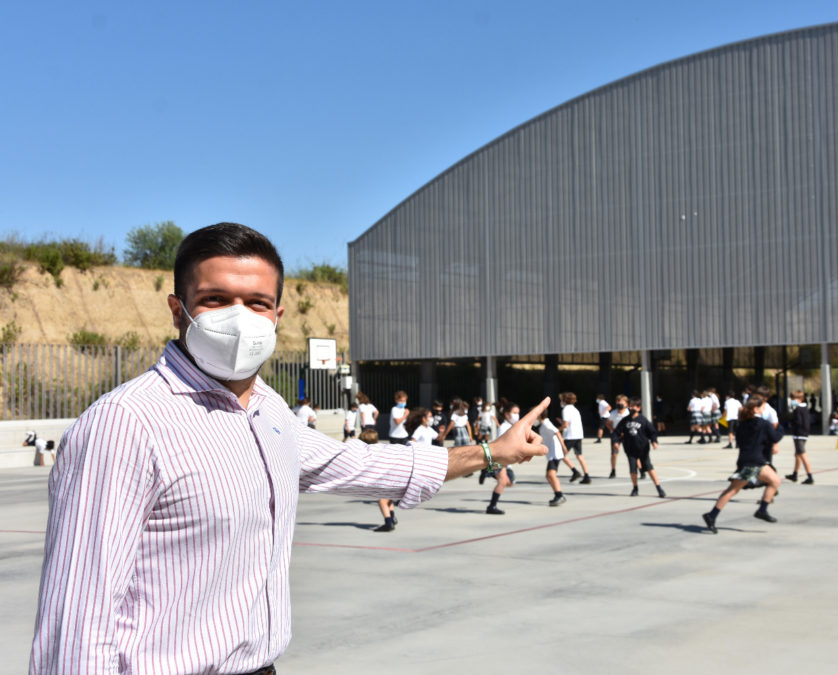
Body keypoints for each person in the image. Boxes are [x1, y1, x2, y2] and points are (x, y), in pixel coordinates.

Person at [29, 222, 550, 673]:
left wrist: (490, 453)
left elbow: (359, 464)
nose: (239, 318)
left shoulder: (269, 411)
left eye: (256, 303)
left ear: (278, 314)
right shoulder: (126, 423)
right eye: (215, 300)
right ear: (177, 310)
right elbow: (76, 621)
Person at [701, 395, 785, 533]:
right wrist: (780, 428)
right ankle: (761, 510)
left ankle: (712, 515)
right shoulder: (764, 424)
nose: (765, 410)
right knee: (772, 482)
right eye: (763, 407)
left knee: (734, 489)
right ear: (756, 409)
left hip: (745, 459)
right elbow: (775, 437)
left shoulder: (742, 424)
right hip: (755, 462)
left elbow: (741, 441)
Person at [612, 397, 666, 498]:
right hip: (630, 449)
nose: (632, 408)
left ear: (638, 408)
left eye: (634, 407)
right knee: (633, 470)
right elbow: (616, 432)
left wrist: (654, 441)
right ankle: (635, 488)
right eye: (631, 406)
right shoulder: (625, 420)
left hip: (643, 449)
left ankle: (659, 488)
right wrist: (615, 441)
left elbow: (652, 432)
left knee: (649, 468)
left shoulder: (643, 420)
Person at [536, 407, 568, 506]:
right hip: (552, 453)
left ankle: (559, 495)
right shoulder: (543, 424)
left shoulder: (546, 423)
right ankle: (558, 495)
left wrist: (563, 446)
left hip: (555, 453)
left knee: (551, 474)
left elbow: (557, 432)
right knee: (549, 475)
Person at [559, 392, 591, 484]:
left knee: (561, 454)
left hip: (570, 436)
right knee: (579, 455)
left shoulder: (565, 410)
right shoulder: (575, 409)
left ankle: (575, 471)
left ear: (564, 400)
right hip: (578, 435)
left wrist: (558, 429)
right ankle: (586, 475)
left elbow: (566, 424)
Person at [785, 391, 814, 485]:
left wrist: (791, 423)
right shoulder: (805, 408)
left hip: (799, 434)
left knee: (802, 454)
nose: (792, 401)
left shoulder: (798, 409)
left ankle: (810, 476)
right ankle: (795, 474)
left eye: (794, 399)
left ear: (800, 399)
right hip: (804, 433)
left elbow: (798, 421)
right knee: (797, 454)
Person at [606, 394, 631, 478]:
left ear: (626, 404)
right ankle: (613, 470)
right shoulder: (613, 413)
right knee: (614, 453)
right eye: (618, 402)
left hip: (627, 434)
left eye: (621, 402)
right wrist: (614, 431)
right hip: (616, 435)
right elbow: (608, 423)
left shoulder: (628, 413)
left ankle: (640, 470)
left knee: (632, 453)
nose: (619, 404)